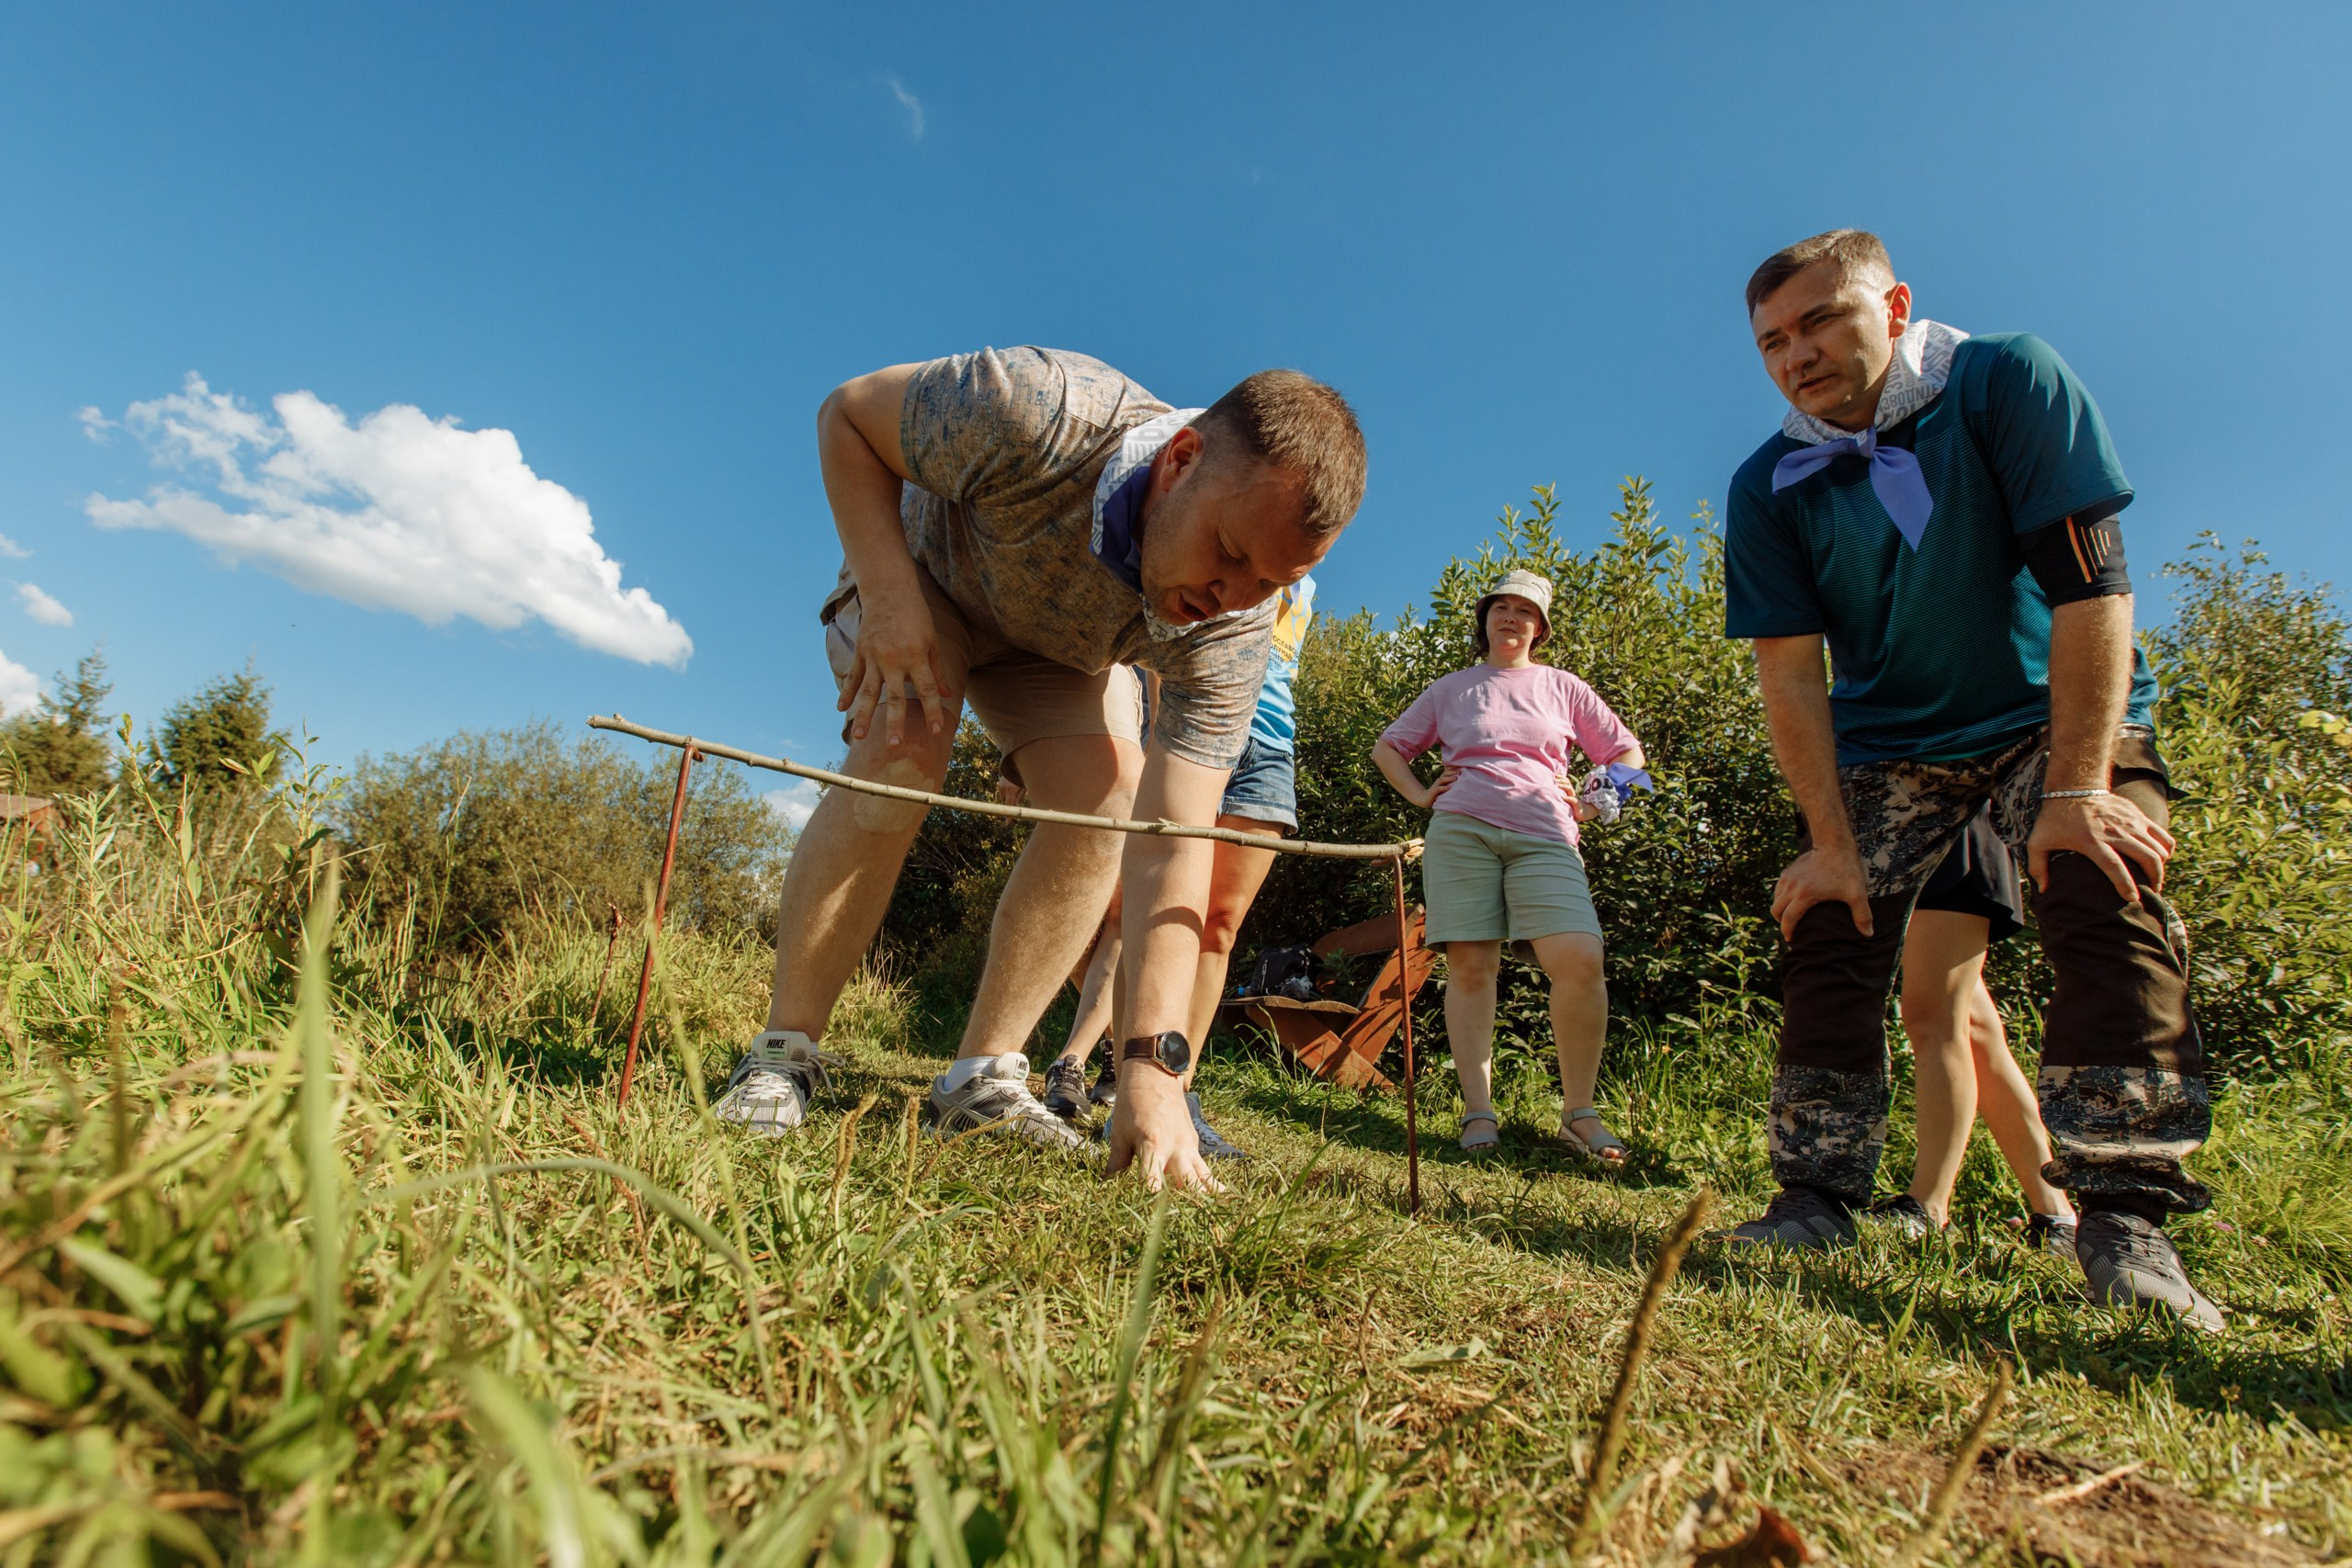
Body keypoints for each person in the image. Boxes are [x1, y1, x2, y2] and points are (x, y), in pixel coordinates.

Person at [714, 346, 1365, 1195]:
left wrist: (1152, 1072)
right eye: (1228, 550)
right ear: (1180, 460)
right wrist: (891, 593)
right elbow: (847, 414)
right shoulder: (1039, 409)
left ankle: (980, 1077)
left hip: (1055, 655)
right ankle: (783, 1051)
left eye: (1270, 583)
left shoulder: (1235, 628)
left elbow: (1175, 840)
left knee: (1110, 800)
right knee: (906, 745)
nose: (1232, 595)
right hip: (924, 582)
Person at [1718, 230, 2218, 1329]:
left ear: (1892, 305)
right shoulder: (1767, 484)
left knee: (2106, 880)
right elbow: (1792, 679)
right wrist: (1828, 838)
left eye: (1819, 321)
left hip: (2051, 715)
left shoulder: (2004, 378)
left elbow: (2095, 590)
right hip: (1889, 741)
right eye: (1770, 342)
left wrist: (2079, 788)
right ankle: (1813, 1193)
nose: (1794, 354)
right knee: (1828, 914)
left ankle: (2124, 1217)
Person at [1039, 576, 1317, 1158]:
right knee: (1136, 913)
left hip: (1267, 750)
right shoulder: (1229, 550)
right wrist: (1161, 733)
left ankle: (1177, 1092)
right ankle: (1110, 1070)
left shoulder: (1305, 587)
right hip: (1189, 732)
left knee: (1218, 925)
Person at [1371, 570, 1645, 1160]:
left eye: (1525, 611)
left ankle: (1579, 1113)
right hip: (1461, 830)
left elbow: (1627, 753)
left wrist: (1597, 803)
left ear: (1539, 628)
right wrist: (1422, 795)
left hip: (1547, 833)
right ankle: (1478, 1112)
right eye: (1501, 606)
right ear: (1485, 618)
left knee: (1580, 957)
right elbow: (1388, 747)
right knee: (1471, 967)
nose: (1511, 617)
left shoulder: (1563, 687)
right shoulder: (1452, 689)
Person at [1872, 806, 2077, 1251]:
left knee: (1934, 1016)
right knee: (1972, 1026)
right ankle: (2057, 1216)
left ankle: (1928, 1206)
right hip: (1925, 827)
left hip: (1946, 826)